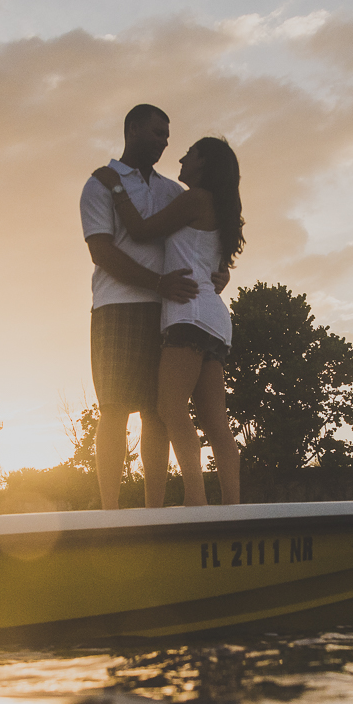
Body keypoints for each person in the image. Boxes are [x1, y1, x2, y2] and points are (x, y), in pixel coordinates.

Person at [91, 136, 244, 507]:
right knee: (215, 421)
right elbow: (215, 264)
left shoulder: (193, 199)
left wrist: (115, 189)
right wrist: (221, 275)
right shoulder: (221, 207)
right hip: (213, 318)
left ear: (204, 163)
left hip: (187, 314)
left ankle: (196, 501)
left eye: (190, 153)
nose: (181, 156)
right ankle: (234, 508)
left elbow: (142, 231)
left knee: (170, 409)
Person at [81, 104, 194, 510]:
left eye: (167, 135)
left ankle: (154, 512)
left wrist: (218, 271)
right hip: (116, 306)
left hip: (165, 309)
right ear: (132, 129)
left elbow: (193, 244)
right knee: (113, 409)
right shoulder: (99, 184)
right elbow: (102, 253)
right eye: (157, 132)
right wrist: (159, 283)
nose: (164, 141)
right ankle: (109, 511)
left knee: (157, 412)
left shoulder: (170, 191)